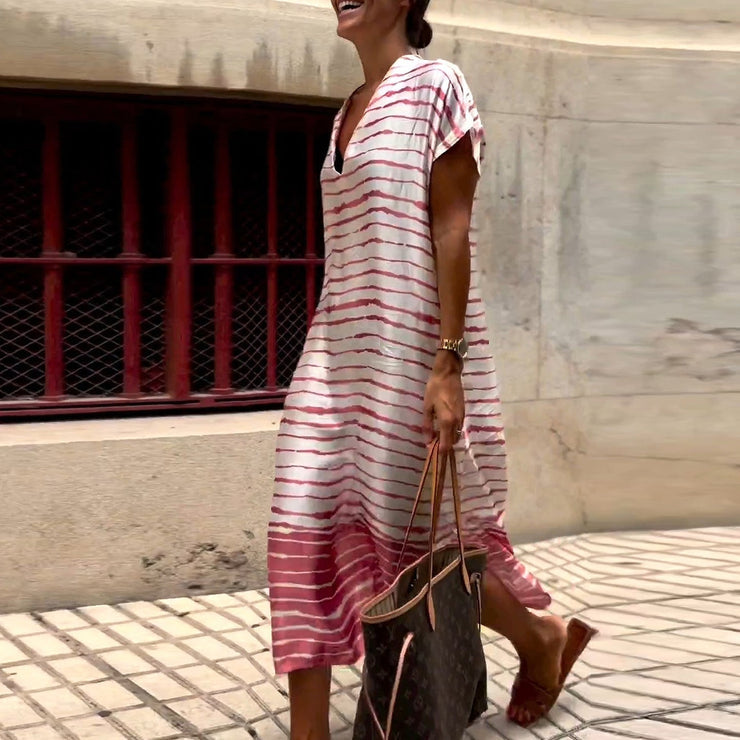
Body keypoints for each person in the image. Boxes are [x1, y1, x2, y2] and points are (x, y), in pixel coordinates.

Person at [267, 1, 594, 737]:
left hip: (413, 353)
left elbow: (450, 225)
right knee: (298, 526)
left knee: (415, 549)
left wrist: (447, 366)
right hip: (336, 352)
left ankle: (540, 637)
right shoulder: (345, 110)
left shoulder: (437, 85)